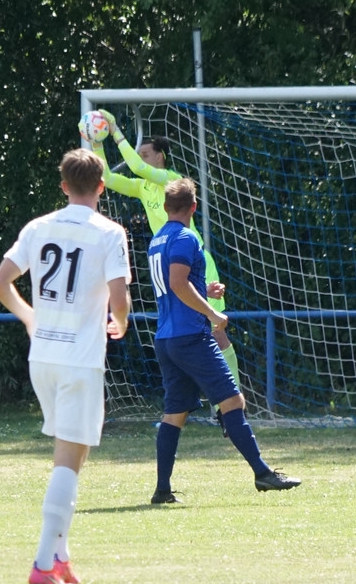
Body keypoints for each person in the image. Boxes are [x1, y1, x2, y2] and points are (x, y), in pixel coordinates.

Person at [0, 148, 131, 584]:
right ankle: (42, 563)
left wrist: (29, 317)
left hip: (43, 358)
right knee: (67, 461)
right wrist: (121, 321)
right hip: (78, 359)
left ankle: (61, 555)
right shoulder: (109, 232)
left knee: (74, 453)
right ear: (102, 187)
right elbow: (120, 296)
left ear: (64, 186)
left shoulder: (39, 226)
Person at [148, 177, 300, 502]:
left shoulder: (157, 239)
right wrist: (212, 313)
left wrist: (204, 291)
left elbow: (176, 285)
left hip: (166, 338)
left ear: (165, 206)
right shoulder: (186, 237)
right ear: (193, 207)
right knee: (232, 401)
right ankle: (263, 474)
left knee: (175, 413)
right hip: (191, 336)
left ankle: (162, 490)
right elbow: (177, 284)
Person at [90, 111, 242, 414]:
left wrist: (115, 130)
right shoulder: (143, 187)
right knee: (179, 333)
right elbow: (107, 177)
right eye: (140, 154)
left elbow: (136, 167)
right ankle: (183, 406)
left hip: (195, 261)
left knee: (215, 331)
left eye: (145, 153)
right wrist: (96, 142)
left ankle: (230, 405)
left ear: (159, 156)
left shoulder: (173, 180)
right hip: (170, 265)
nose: (140, 159)